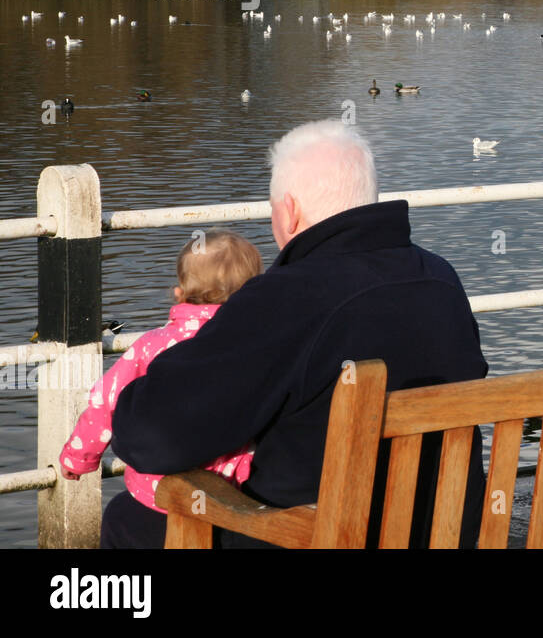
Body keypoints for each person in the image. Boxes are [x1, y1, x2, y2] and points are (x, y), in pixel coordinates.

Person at [112, 120, 490, 547]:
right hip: (442, 532)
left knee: (128, 519)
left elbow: (151, 436)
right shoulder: (441, 280)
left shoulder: (286, 296)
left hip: (307, 536)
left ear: (289, 210)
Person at [62, 230, 263, 548]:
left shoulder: (150, 347)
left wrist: (79, 457)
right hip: (232, 496)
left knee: (119, 524)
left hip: (156, 497)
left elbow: (106, 400)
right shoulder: (257, 348)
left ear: (179, 293)